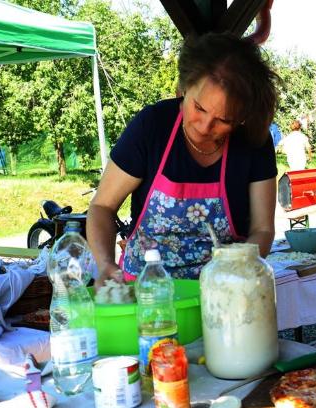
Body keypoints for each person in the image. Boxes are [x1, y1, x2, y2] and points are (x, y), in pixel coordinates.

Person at [87, 32, 280, 285]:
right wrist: (104, 264)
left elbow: (262, 230)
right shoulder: (152, 127)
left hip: (225, 290)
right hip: (147, 292)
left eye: (224, 120)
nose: (205, 125)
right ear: (184, 88)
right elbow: (102, 207)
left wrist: (231, 275)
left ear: (242, 117)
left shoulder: (254, 141)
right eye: (199, 108)